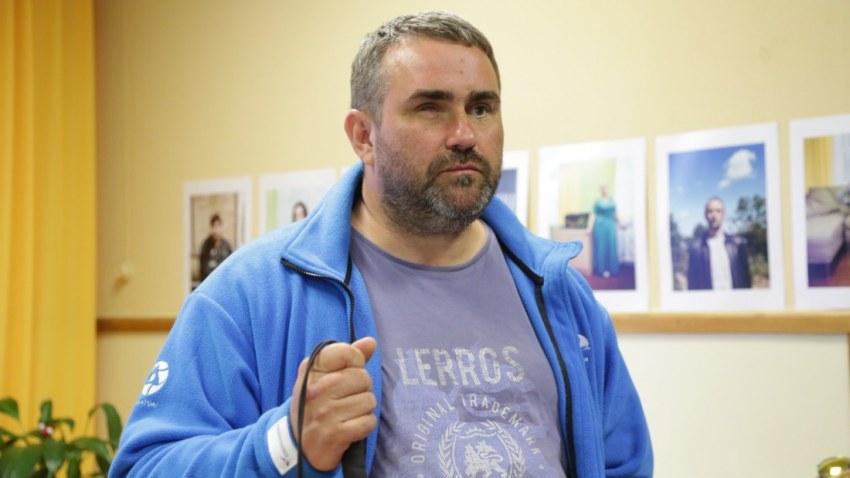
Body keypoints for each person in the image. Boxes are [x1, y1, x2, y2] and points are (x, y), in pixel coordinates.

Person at [111, 11, 652, 478]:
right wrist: (283, 443)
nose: (464, 134)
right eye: (431, 108)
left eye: (481, 108)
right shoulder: (252, 293)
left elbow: (623, 463)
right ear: (363, 136)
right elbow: (145, 466)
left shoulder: (557, 292)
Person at [687, 196, 752, 290]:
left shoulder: (737, 244)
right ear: (705, 215)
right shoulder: (696, 248)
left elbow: (746, 280)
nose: (714, 215)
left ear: (723, 214)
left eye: (718, 211)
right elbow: (693, 284)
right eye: (710, 211)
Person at [591, 184, 619, 277]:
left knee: (611, 244)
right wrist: (589, 227)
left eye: (606, 189)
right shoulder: (597, 202)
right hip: (600, 225)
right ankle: (602, 268)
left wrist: (621, 224)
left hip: (610, 225)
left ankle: (612, 268)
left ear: (608, 189)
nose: (604, 190)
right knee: (601, 245)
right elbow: (593, 215)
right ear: (600, 191)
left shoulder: (612, 201)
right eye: (602, 189)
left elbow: (615, 214)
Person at [198, 213, 233, 282]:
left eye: (218, 226)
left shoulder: (226, 246)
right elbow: (203, 269)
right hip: (210, 282)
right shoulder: (206, 246)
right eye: (214, 226)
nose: (216, 230)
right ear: (211, 228)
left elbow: (230, 267)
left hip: (224, 282)